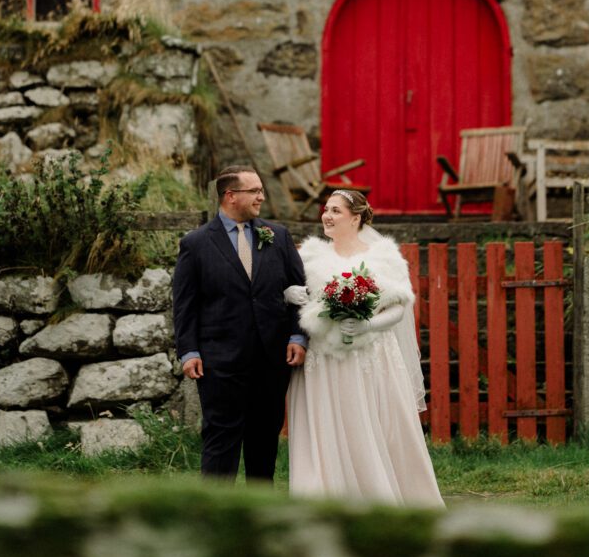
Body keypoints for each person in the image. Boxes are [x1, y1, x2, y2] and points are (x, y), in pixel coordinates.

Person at [285, 189, 444, 507]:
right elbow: (304, 299)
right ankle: (325, 493)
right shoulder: (310, 256)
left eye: (336, 211)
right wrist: (290, 294)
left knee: (366, 422)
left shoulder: (383, 257)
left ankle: (376, 492)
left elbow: (399, 308)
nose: (327, 216)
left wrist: (367, 325)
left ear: (355, 217)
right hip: (324, 357)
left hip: (369, 354)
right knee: (327, 423)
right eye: (325, 210)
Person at [172, 165, 307, 480]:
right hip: (220, 359)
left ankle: (259, 514)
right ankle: (216, 516)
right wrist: (189, 351)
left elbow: (300, 293)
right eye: (255, 191)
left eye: (261, 190)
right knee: (221, 438)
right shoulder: (196, 243)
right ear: (230, 196)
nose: (262, 196)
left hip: (271, 358)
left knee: (264, 440)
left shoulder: (279, 236)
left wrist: (297, 337)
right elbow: (185, 303)